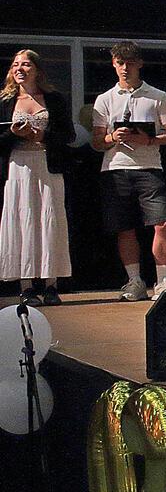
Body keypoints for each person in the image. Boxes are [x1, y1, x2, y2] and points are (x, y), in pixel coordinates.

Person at [91, 41, 166, 301]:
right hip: (116, 168)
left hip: (150, 167)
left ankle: (163, 280)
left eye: (130, 63)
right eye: (120, 63)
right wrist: (112, 137)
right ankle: (134, 282)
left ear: (140, 64)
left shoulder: (157, 96)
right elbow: (97, 141)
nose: (125, 68)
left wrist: (151, 140)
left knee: (163, 222)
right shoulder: (104, 99)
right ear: (113, 64)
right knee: (125, 227)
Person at [0, 50, 74, 305]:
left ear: (37, 70)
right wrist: (14, 134)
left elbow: (68, 136)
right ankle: (27, 286)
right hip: (18, 167)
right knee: (23, 222)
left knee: (49, 220)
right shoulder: (6, 101)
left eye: (26, 64)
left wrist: (41, 137)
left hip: (47, 164)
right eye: (15, 64)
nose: (20, 68)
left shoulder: (54, 99)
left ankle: (51, 285)